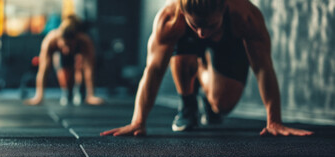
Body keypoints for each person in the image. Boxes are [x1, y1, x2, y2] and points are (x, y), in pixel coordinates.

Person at [101, 0, 313, 137]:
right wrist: (138, 121)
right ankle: (188, 105)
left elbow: (263, 67)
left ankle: (202, 73)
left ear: (224, 8)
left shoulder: (245, 16)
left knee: (223, 106)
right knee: (182, 51)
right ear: (183, 13)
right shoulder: (170, 20)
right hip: (186, 49)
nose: (202, 33)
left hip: (227, 43)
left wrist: (274, 120)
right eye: (196, 26)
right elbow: (154, 70)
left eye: (210, 25)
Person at [24, 15, 104, 106]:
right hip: (59, 54)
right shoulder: (50, 41)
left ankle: (79, 91)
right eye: (64, 45)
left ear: (76, 39)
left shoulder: (84, 41)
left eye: (70, 45)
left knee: (80, 65)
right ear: (59, 40)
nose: (67, 50)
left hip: (79, 53)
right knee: (63, 72)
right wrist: (39, 96)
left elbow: (89, 68)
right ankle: (67, 91)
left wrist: (91, 96)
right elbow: (43, 70)